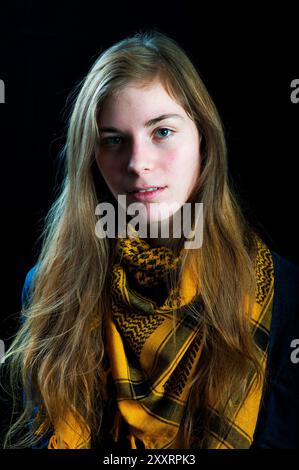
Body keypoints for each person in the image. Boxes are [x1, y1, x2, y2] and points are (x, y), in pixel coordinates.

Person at [2, 30, 299, 450]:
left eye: (162, 132)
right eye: (113, 141)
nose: (138, 163)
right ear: (91, 156)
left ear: (204, 140)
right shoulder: (49, 288)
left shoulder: (285, 295)